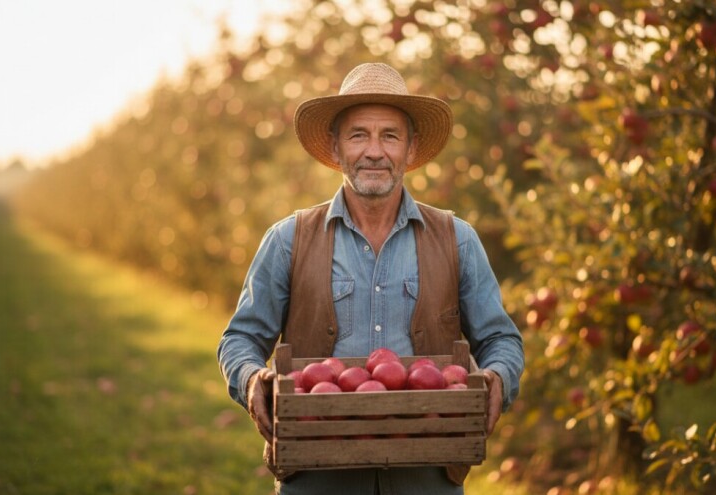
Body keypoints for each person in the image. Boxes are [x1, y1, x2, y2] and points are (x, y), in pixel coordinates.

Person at [217, 62, 524, 494]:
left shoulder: (457, 240)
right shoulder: (289, 240)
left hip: (428, 476)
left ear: (411, 149)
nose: (374, 151)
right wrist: (251, 378)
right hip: (318, 476)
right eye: (359, 135)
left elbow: (500, 339)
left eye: (390, 136)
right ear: (336, 147)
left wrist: (498, 376)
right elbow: (240, 338)